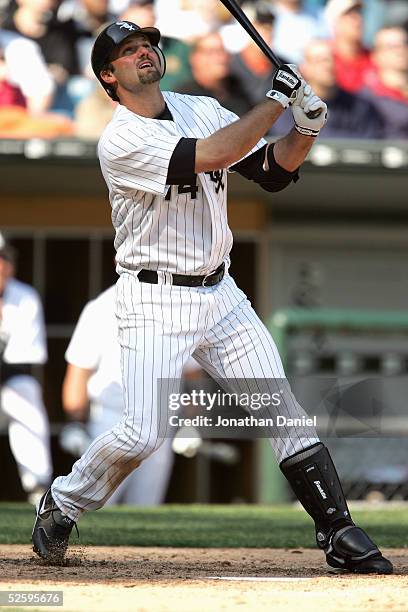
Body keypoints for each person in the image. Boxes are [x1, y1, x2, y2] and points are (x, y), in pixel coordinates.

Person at [32, 20, 393, 575]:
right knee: (143, 432)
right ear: (109, 75)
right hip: (153, 296)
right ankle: (65, 501)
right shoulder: (121, 137)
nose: (143, 54)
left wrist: (305, 129)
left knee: (283, 412)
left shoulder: (201, 106)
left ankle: (339, 530)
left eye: (147, 45)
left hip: (219, 291)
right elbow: (215, 153)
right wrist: (278, 99)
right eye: (127, 53)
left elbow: (269, 171)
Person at [60, 284, 174, 505]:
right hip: (110, 420)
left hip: (160, 421)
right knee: (97, 503)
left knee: (147, 505)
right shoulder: (100, 307)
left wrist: (189, 423)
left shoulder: (176, 304)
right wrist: (75, 421)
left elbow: (190, 373)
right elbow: (78, 370)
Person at [0, 233, 52, 506]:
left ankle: (37, 487)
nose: (2, 265)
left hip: (10, 383)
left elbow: (21, 359)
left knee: (26, 395)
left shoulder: (24, 297)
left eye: (5, 259)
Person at [270, 38, 384, 138]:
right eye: (320, 60)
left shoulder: (358, 106)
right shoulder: (289, 107)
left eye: (332, 59)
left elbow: (370, 141)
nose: (328, 65)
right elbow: (284, 141)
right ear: (304, 68)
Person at [176, 31, 252, 117]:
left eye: (222, 50)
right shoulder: (185, 98)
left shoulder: (239, 90)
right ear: (195, 57)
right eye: (211, 51)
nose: (221, 57)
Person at [362, 25, 408, 139]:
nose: (401, 50)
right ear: (376, 55)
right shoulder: (367, 99)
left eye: (404, 43)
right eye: (392, 46)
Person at [325, 0, 374, 93]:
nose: (358, 19)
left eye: (359, 13)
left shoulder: (373, 57)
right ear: (335, 22)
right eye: (350, 15)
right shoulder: (324, 58)